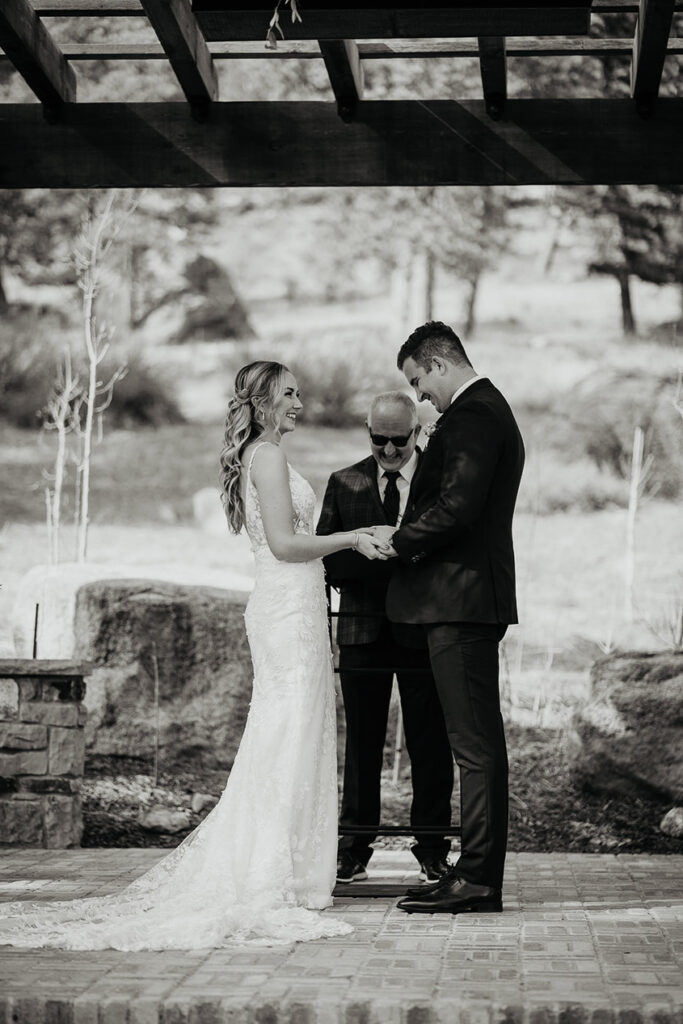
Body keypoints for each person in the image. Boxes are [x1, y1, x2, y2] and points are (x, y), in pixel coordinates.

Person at [0, 360, 389, 951]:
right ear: (260, 403)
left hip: (292, 608)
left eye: (299, 394)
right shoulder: (270, 456)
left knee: (290, 733)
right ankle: (273, 874)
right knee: (287, 734)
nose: (300, 403)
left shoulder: (259, 456)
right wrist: (354, 538)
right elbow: (285, 545)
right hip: (287, 611)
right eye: (288, 395)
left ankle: (287, 869)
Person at [372, 322, 525, 915]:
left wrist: (399, 540)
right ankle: (471, 871)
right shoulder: (481, 412)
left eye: (418, 383)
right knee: (474, 744)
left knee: (476, 748)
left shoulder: (475, 416)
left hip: (461, 601)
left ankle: (480, 879)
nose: (421, 399)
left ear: (438, 363)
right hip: (463, 600)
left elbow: (458, 508)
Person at [317, 391, 454, 885]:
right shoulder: (344, 482)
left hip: (421, 630)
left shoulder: (439, 481)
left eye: (400, 440)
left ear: (417, 432)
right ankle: (354, 847)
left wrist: (405, 555)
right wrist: (371, 555)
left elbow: (446, 554)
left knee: (429, 742)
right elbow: (327, 557)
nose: (390, 451)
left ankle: (433, 848)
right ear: (367, 431)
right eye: (380, 441)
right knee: (362, 744)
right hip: (361, 629)